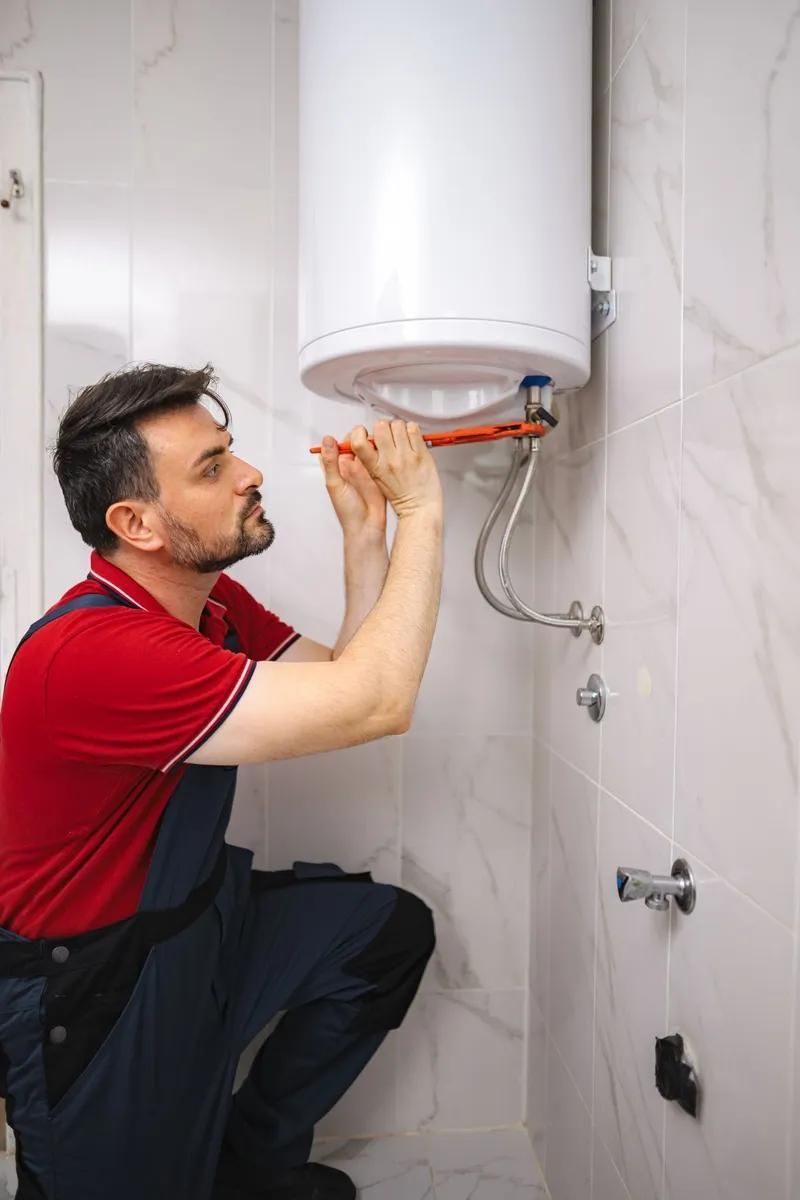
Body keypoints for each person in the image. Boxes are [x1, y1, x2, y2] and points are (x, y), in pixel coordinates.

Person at [0, 362, 444, 1200]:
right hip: (98, 983)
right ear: (137, 522)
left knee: (383, 936)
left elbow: (346, 678)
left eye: (229, 451)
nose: (250, 474)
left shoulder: (211, 606)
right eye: (212, 468)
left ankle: (250, 1169)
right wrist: (423, 512)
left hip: (202, 921)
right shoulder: (94, 656)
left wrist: (365, 537)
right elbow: (378, 701)